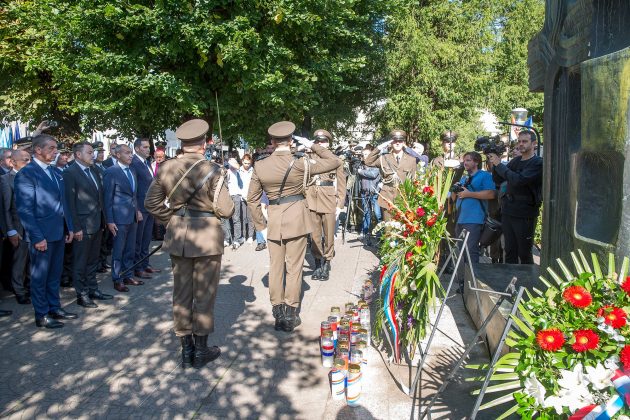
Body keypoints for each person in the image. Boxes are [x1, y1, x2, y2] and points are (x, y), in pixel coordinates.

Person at [145, 119, 234, 369]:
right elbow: (226, 210)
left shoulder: (165, 167)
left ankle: (186, 350)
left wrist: (174, 221)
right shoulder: (213, 169)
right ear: (204, 144)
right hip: (206, 238)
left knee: (181, 293)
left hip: (178, 237)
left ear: (182, 144)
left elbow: (151, 204)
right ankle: (201, 350)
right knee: (204, 294)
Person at [247, 121, 341, 333]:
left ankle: (278, 312)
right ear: (291, 141)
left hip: (273, 221)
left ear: (272, 142)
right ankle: (290, 315)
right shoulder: (301, 163)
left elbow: (251, 200)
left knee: (275, 267)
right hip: (297, 219)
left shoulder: (260, 165)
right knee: (294, 268)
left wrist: (261, 226)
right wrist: (312, 145)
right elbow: (334, 161)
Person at [15, 134, 76, 328]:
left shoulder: (55, 172)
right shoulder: (27, 173)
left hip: (58, 232)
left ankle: (54, 307)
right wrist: (36, 237)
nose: (55, 151)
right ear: (38, 150)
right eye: (51, 148)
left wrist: (69, 227)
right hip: (41, 235)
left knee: (54, 274)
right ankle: (41, 314)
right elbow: (25, 209)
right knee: (40, 276)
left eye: (55, 148)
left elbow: (63, 203)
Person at [63, 142, 113, 308]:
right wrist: (75, 227)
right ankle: (82, 294)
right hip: (82, 226)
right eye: (90, 152)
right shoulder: (70, 173)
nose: (93, 155)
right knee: (81, 262)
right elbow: (69, 203)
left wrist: (104, 220)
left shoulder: (94, 170)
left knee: (93, 260)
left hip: (97, 223)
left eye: (93, 152)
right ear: (78, 154)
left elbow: (100, 198)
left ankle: (93, 289)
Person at [487, 130, 543, 264]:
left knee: (524, 253)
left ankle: (526, 277)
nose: (521, 144)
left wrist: (499, 165)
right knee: (510, 251)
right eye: (519, 141)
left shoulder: (537, 163)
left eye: (525, 141)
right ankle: (510, 276)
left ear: (534, 144)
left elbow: (518, 180)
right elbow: (499, 180)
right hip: (508, 211)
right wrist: (495, 164)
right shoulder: (516, 161)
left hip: (525, 214)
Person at [305, 129, 345, 280]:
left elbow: (341, 183)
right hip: (312, 199)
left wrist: (340, 204)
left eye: (324, 141)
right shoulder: (307, 157)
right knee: (314, 235)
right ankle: (317, 263)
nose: (320, 144)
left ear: (328, 144)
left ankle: (327, 262)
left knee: (328, 235)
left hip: (328, 199)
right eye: (318, 141)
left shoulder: (335, 159)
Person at [103, 144, 144, 292]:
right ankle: (117, 278)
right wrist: (109, 220)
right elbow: (107, 198)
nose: (130, 155)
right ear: (118, 155)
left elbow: (134, 195)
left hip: (132, 217)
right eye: (127, 153)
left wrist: (137, 210)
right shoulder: (111, 172)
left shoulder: (132, 170)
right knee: (118, 250)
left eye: (131, 153)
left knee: (130, 249)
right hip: (118, 218)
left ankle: (128, 275)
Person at [451, 152, 496, 264]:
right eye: (464, 161)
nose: (465, 163)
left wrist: (469, 194)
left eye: (468, 160)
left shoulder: (484, 176)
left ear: (476, 162)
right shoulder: (464, 178)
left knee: (471, 251)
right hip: (460, 219)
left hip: (474, 219)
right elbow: (453, 199)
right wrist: (454, 189)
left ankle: (473, 274)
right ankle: (465, 275)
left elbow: (491, 194)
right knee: (462, 251)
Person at [0, 149, 32, 304]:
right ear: (13, 162)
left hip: (34, 227)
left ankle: (31, 286)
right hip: (19, 229)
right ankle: (19, 291)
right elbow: (6, 208)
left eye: (30, 159)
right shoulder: (6, 180)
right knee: (19, 262)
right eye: (25, 160)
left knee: (33, 261)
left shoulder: (32, 177)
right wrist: (11, 230)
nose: (29, 163)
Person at [364, 129, 417, 221]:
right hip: (387, 199)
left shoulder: (411, 160)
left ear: (403, 143)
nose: (397, 143)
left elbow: (414, 181)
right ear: (391, 142)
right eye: (395, 141)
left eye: (400, 141)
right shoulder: (384, 158)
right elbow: (368, 162)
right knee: (388, 227)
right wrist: (379, 147)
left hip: (404, 200)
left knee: (403, 227)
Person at [130, 138, 160, 279]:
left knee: (146, 239)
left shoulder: (146, 162)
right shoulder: (134, 163)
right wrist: (136, 209)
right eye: (145, 147)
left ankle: (145, 263)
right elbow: (133, 189)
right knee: (139, 239)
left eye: (148, 147)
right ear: (137, 149)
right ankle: (138, 267)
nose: (148, 149)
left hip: (149, 207)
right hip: (140, 208)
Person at [356, 144, 382, 244]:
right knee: (366, 213)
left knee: (377, 214)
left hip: (374, 193)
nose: (364, 156)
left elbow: (373, 174)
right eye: (363, 154)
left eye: (366, 154)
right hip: (365, 193)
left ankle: (380, 234)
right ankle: (365, 232)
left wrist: (360, 171)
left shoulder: (375, 163)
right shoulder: (361, 164)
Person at [239, 154, 255, 244]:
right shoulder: (238, 170)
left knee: (250, 218)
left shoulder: (253, 171)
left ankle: (250, 236)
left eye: (248, 163)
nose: (247, 165)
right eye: (245, 163)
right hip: (241, 197)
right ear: (242, 162)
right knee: (242, 218)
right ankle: (243, 235)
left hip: (250, 197)